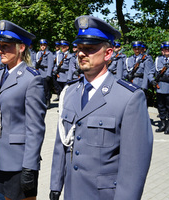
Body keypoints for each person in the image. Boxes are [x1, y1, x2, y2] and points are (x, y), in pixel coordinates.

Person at [49, 15, 153, 200]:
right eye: (79, 49)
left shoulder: (129, 98)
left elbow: (134, 167)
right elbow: (62, 144)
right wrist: (56, 186)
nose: (81, 54)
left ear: (108, 54)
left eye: (89, 49)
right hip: (72, 192)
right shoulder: (70, 92)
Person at [0, 20, 46, 200]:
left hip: (19, 161)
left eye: (6, 46)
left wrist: (30, 165)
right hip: (0, 156)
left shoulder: (31, 79)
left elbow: (36, 128)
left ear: (21, 48)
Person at [36, 39, 54, 108]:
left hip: (45, 73)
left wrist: (48, 75)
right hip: (40, 73)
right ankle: (42, 101)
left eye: (44, 45)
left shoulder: (49, 54)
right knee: (41, 89)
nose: (42, 46)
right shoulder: (39, 53)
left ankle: (47, 101)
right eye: (41, 45)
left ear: (46, 46)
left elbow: (50, 64)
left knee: (47, 89)